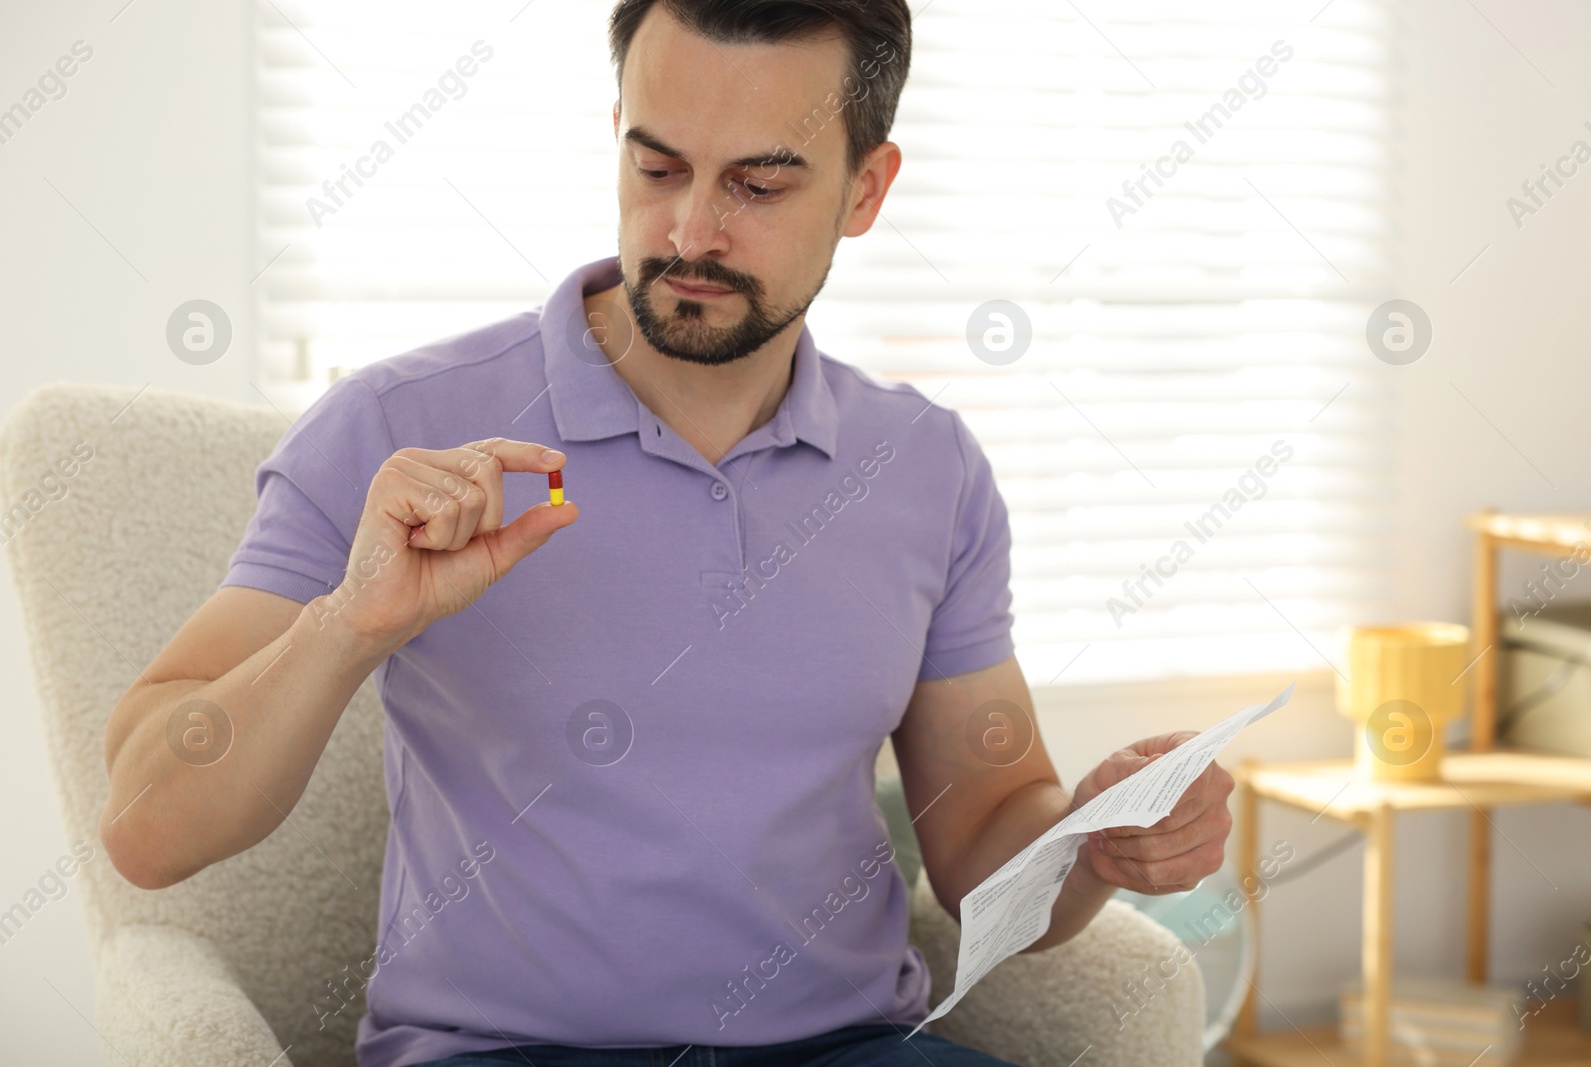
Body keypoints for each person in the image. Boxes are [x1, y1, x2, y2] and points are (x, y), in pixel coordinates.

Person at [98, 2, 1234, 1065]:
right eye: (658, 166)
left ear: (865, 189)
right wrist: (347, 625)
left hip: (841, 1046)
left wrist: (1093, 833)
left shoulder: (924, 467)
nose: (691, 229)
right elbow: (147, 828)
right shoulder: (399, 431)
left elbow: (988, 831)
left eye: (758, 183)